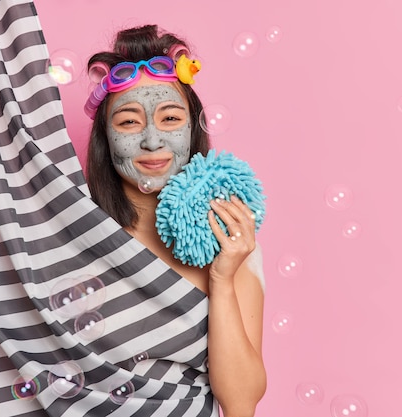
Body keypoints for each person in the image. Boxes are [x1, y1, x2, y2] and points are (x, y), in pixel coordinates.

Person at [83, 25, 267, 417]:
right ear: (105, 137)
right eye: (129, 122)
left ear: (193, 129)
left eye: (170, 118)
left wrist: (222, 277)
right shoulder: (76, 230)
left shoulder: (227, 238)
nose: (152, 140)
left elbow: (240, 404)